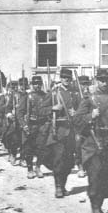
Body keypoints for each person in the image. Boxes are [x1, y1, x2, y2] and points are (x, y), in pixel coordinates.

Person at [73, 68, 108, 213]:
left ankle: (99, 204)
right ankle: (94, 208)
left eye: (106, 80)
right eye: (101, 80)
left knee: (105, 177)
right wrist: (90, 116)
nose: (104, 83)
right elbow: (77, 120)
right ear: (96, 81)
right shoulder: (89, 99)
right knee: (95, 175)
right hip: (93, 143)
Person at [37, 68, 79, 197]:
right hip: (58, 130)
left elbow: (82, 110)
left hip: (71, 131)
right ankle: (58, 187)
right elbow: (40, 110)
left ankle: (63, 185)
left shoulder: (75, 93)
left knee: (68, 162)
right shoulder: (54, 93)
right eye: (64, 77)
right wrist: (53, 108)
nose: (66, 80)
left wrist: (76, 113)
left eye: (68, 78)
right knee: (58, 160)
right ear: (60, 78)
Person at [17, 75, 50, 179]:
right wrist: (24, 125)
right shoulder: (27, 97)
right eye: (35, 84)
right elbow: (19, 112)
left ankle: (38, 167)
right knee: (28, 148)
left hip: (42, 124)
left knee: (41, 148)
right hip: (30, 125)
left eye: (39, 84)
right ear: (32, 85)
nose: (37, 86)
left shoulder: (46, 96)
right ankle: (30, 169)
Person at [75, 75, 91, 178]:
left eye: (86, 84)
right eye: (82, 84)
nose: (84, 86)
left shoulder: (90, 95)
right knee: (78, 145)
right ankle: (80, 166)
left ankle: (87, 166)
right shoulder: (75, 95)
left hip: (87, 123)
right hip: (76, 124)